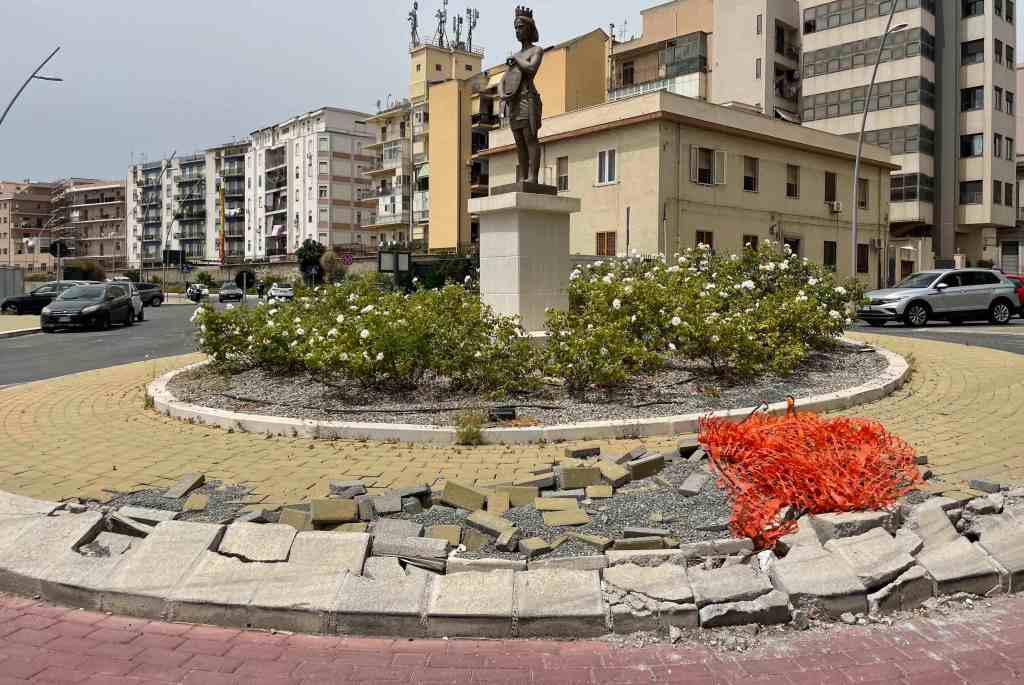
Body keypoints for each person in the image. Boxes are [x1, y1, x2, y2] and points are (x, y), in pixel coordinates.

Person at [499, 7, 544, 184]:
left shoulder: (536, 51)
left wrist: (516, 59)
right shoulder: (516, 57)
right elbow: (503, 80)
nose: (518, 31)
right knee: (519, 141)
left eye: (521, 27)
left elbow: (531, 68)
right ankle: (523, 176)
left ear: (529, 28)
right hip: (514, 102)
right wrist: (503, 94)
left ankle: (533, 177)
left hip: (528, 98)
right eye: (516, 28)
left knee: (529, 138)